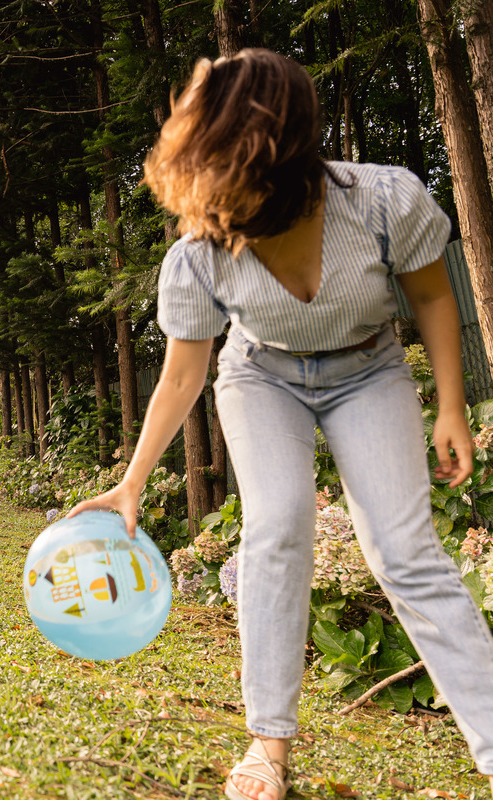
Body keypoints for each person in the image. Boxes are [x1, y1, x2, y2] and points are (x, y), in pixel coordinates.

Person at [67, 49, 493, 800]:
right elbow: (183, 375)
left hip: (369, 369)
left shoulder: (383, 201)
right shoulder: (200, 251)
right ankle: (268, 744)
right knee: (276, 527)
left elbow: (432, 298)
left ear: (282, 149)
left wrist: (452, 407)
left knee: (406, 554)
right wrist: (132, 481)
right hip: (261, 375)